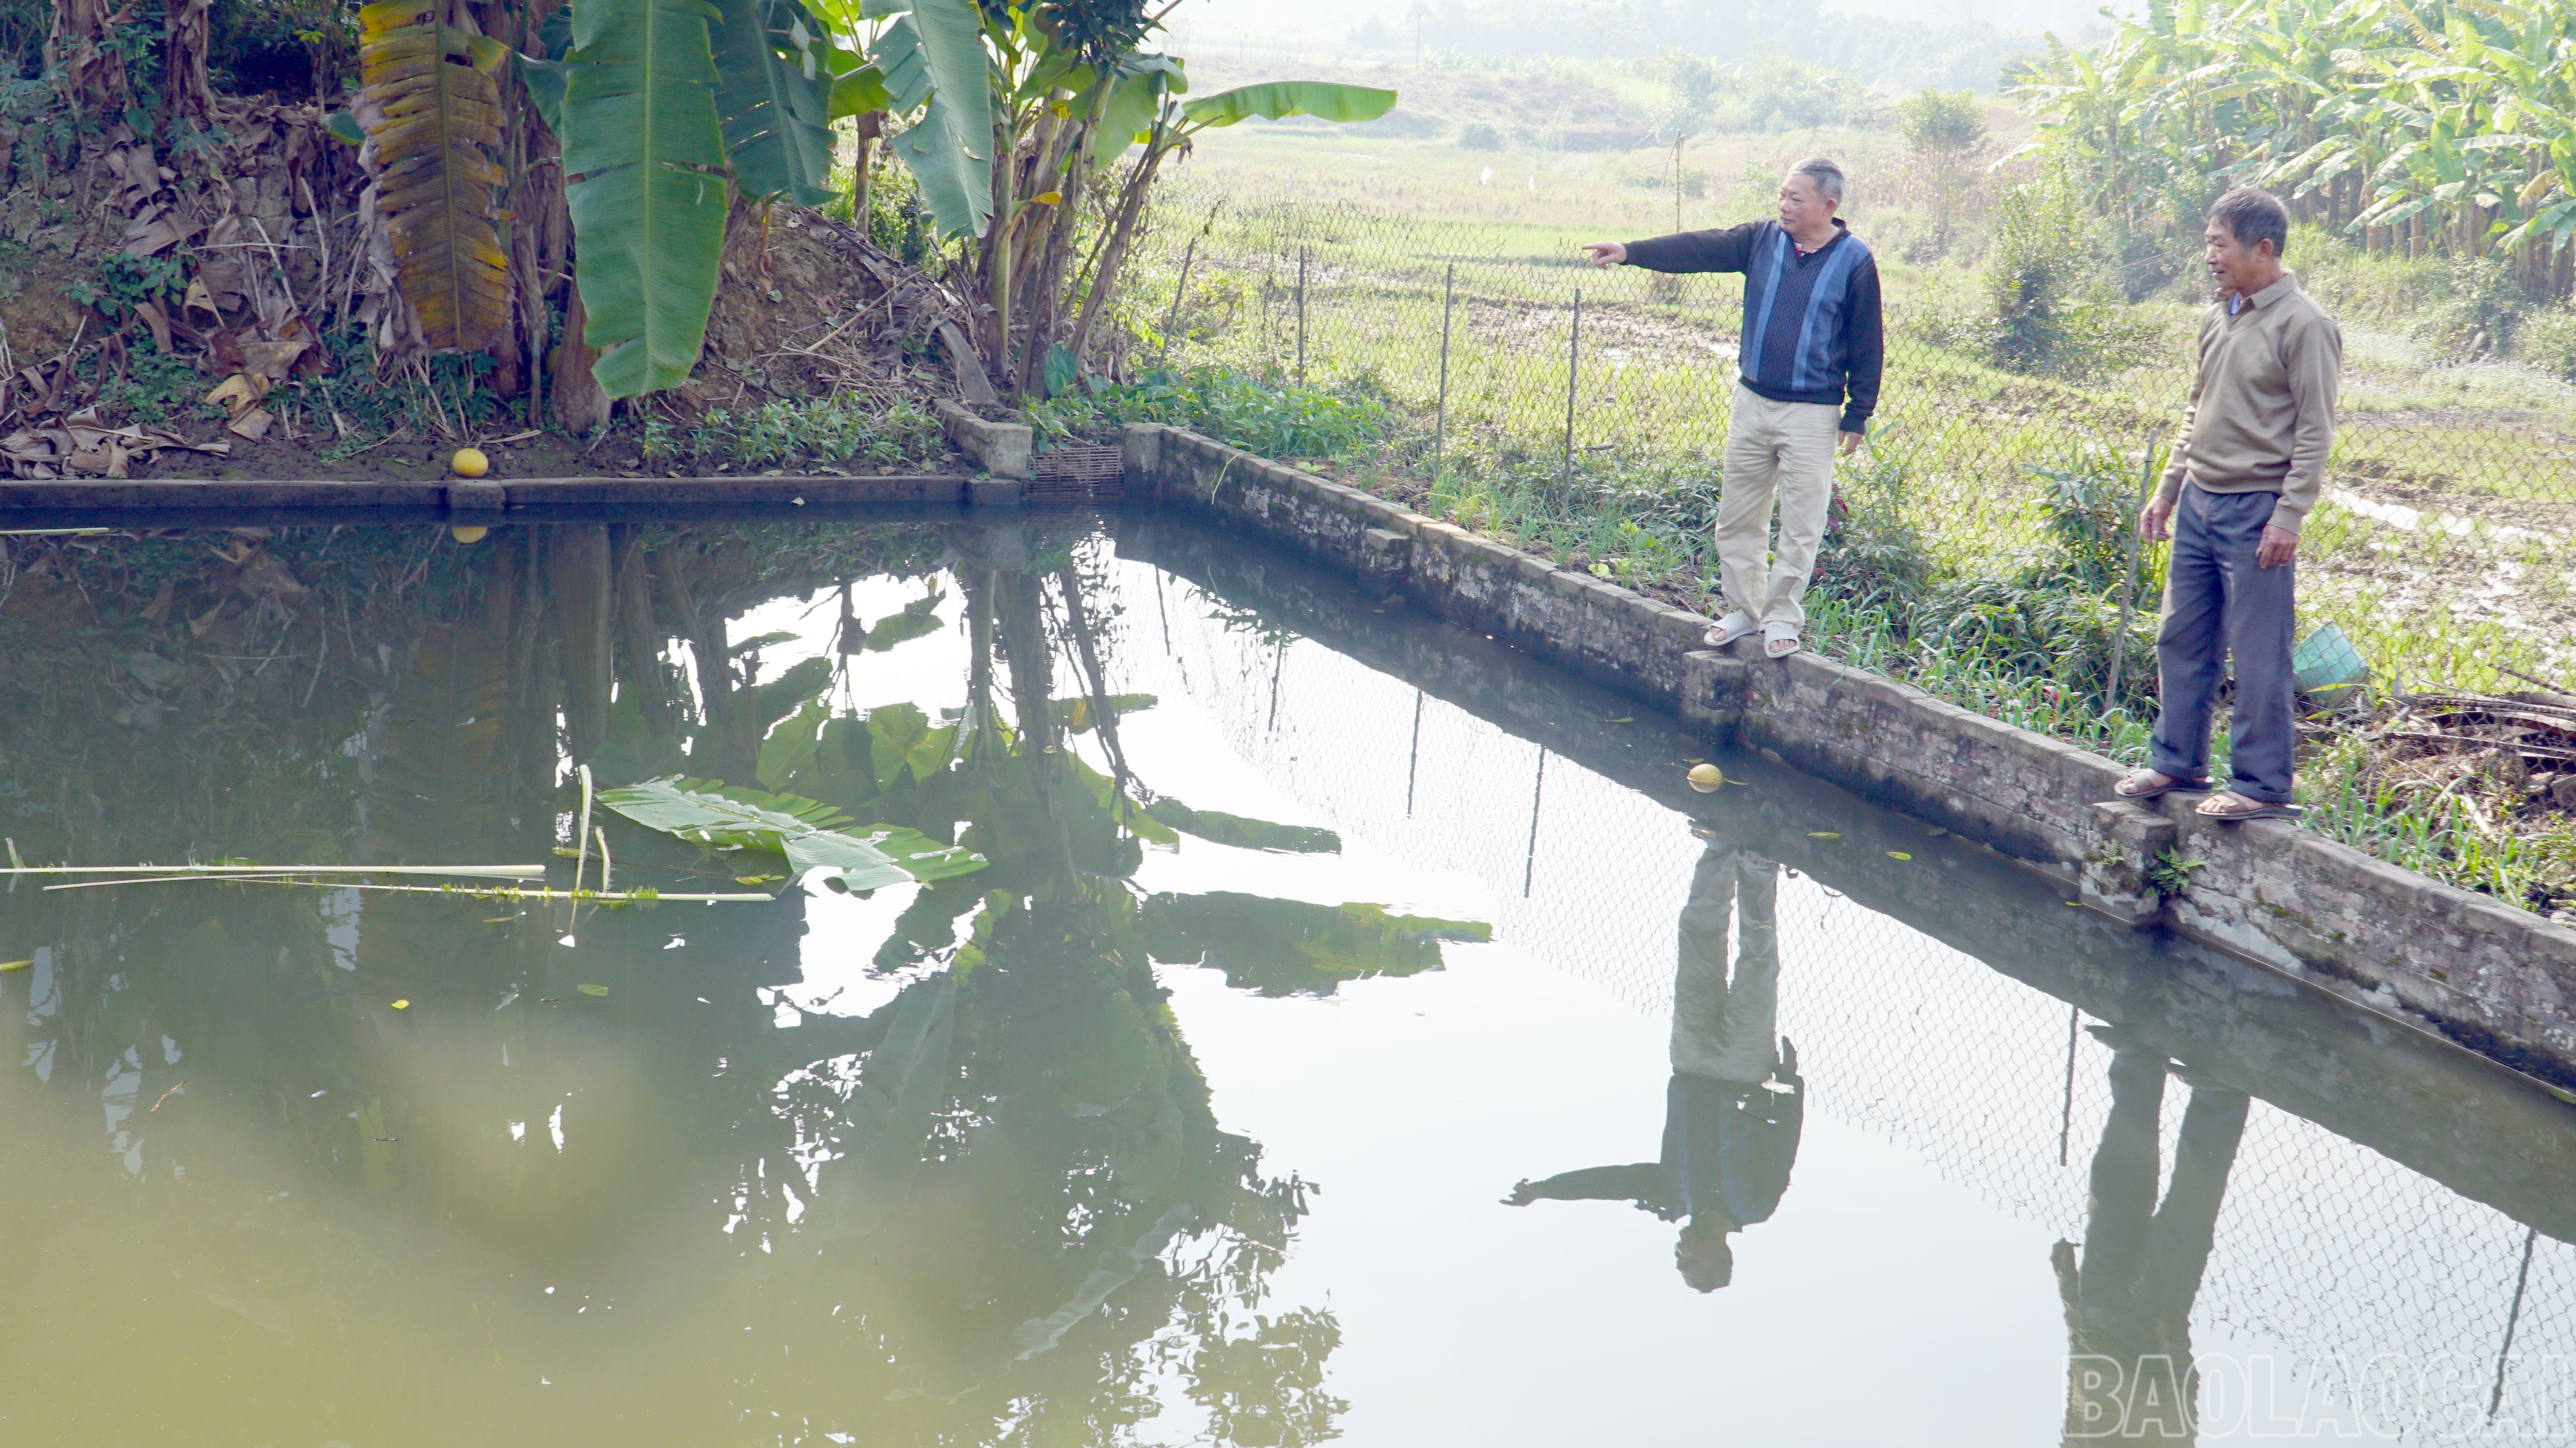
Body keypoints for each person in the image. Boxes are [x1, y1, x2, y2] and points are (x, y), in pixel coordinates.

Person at [1582, 157, 1884, 660]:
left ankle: (1782, 617)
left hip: (1811, 414)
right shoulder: (1761, 241)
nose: (1784, 205)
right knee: (1738, 516)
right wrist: (1630, 252)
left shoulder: (1853, 261)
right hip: (1753, 401)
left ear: (1829, 206)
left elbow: (1866, 341)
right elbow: (1700, 247)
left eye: (1796, 198)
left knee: (1801, 523)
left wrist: (1859, 413)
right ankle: (1746, 610)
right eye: (1782, 195)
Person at [2115, 187, 2341, 822]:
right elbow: (2196, 407)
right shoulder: (2220, 315)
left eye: (2221, 243)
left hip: (2256, 508)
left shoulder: (2305, 325)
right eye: (2208, 242)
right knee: (2181, 637)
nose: (2209, 255)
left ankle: (2263, 785)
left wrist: (2289, 514)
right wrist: (2169, 487)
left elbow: (2315, 430)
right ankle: (2178, 761)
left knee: (2258, 648)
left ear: (2262, 249)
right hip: (2200, 501)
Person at [1502, 832, 1803, 1292]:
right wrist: (1788, 1081)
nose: (1680, 1255)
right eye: (1690, 1263)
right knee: (1758, 965)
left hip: (1689, 1062)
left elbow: (1614, 1183)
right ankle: (1759, 871)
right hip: (1746, 1071)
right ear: (1720, 1259)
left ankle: (1720, 851)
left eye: (1679, 1262)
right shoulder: (1756, 1205)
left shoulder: (1671, 1196)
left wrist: (1548, 1189)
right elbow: (1784, 1138)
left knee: (1696, 946)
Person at [2053, 1025, 2249, 1443]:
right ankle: (2220, 1098)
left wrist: (2070, 1297)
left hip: (2096, 1312)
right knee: (2188, 1212)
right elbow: (2181, 1425)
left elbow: (2078, 1387)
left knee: (2117, 1183)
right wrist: (2175, 1348)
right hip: (2151, 1333)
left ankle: (2139, 1062)